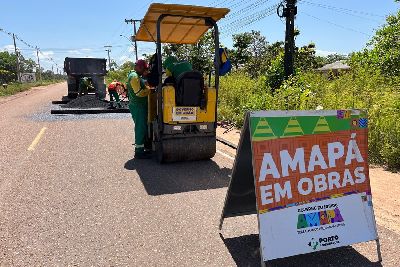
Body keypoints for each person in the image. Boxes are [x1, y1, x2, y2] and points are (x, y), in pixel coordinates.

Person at [126, 59, 151, 159]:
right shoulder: (134, 77)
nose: (145, 71)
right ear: (140, 67)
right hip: (138, 106)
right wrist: (149, 90)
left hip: (138, 105)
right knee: (140, 128)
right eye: (144, 69)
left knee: (142, 126)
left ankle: (142, 147)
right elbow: (139, 93)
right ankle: (139, 152)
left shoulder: (135, 75)